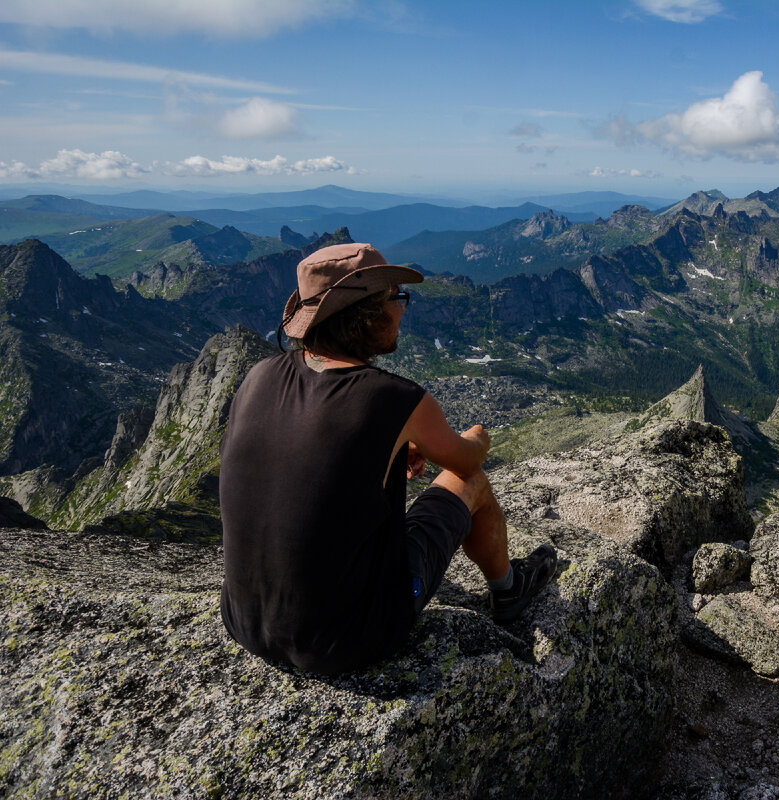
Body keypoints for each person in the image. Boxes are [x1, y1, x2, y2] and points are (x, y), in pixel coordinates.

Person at [219, 242, 557, 675]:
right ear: (367, 312)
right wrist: (476, 435)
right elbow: (467, 462)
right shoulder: (395, 399)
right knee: (471, 484)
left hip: (243, 621)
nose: (402, 310)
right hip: (346, 640)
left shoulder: (257, 376)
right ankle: (508, 590)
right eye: (396, 298)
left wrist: (397, 448)